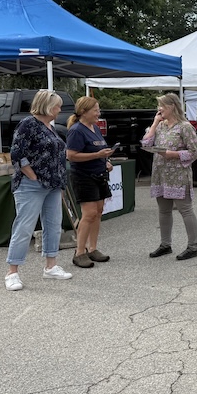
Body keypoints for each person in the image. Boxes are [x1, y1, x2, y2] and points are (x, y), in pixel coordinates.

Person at [4, 90, 75, 291]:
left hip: (53, 185)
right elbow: (17, 153)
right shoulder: (28, 124)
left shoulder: (49, 127)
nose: (60, 110)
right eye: (57, 106)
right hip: (31, 185)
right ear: (47, 106)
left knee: (53, 225)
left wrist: (59, 183)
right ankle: (12, 272)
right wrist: (32, 176)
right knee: (24, 227)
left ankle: (50, 266)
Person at [142, 93, 197, 260]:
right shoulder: (160, 126)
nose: (159, 109)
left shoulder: (185, 127)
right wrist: (154, 123)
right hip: (161, 174)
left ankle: (193, 246)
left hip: (178, 175)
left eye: (162, 106)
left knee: (185, 210)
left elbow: (195, 152)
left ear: (173, 106)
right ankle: (165, 244)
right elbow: (146, 144)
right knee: (164, 210)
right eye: (159, 106)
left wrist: (173, 154)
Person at [65, 96, 115, 269]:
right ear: (83, 112)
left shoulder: (94, 127)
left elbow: (98, 150)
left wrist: (106, 162)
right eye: (95, 110)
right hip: (83, 176)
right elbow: (71, 155)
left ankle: (93, 248)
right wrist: (97, 156)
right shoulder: (76, 130)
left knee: (98, 212)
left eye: (98, 110)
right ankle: (79, 252)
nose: (98, 113)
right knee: (89, 213)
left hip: (99, 174)